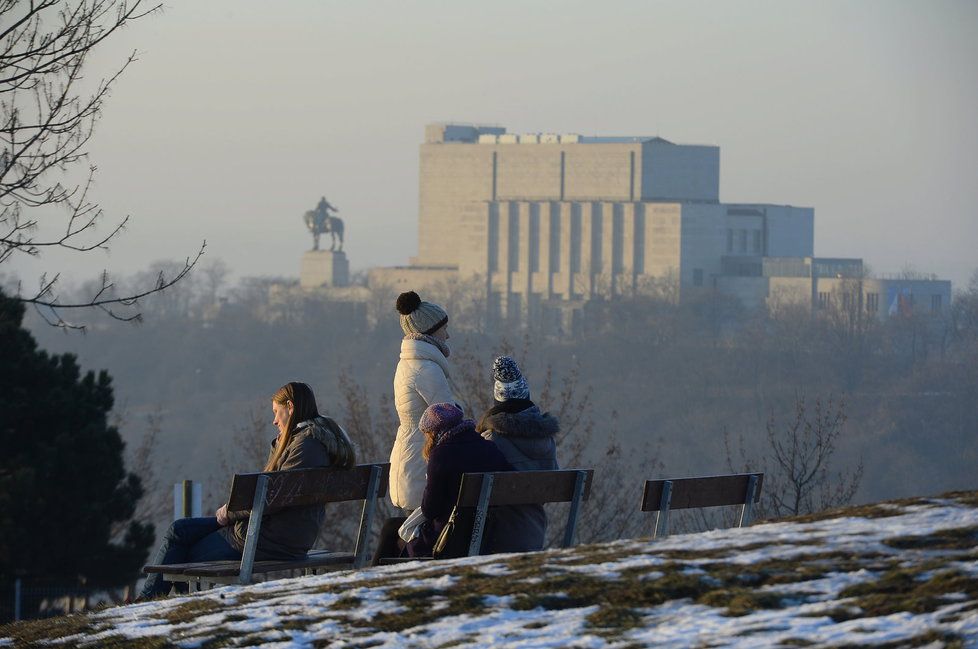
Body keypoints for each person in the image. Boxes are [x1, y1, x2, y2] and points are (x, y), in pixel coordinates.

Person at [139, 382, 355, 599]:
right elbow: (275, 494)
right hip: (284, 535)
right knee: (179, 530)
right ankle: (158, 601)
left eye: (276, 412)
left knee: (183, 551)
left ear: (290, 406)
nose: (274, 421)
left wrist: (229, 513)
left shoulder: (305, 445)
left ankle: (147, 604)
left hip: (267, 539)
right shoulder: (316, 441)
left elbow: (271, 499)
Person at [373, 291, 456, 563]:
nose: (448, 335)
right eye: (444, 329)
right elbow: (448, 415)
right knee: (419, 527)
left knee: (420, 524)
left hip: (411, 452)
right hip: (422, 457)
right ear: (430, 332)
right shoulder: (425, 370)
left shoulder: (412, 364)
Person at [406, 402, 512, 558]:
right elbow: (509, 483)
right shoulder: (489, 448)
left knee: (396, 537)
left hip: (449, 538)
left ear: (433, 433)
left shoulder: (440, 455)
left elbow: (430, 510)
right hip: (488, 534)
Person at [477, 356, 559, 553]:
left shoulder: (490, 440)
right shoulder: (547, 440)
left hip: (495, 536)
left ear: (497, 402)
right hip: (535, 531)